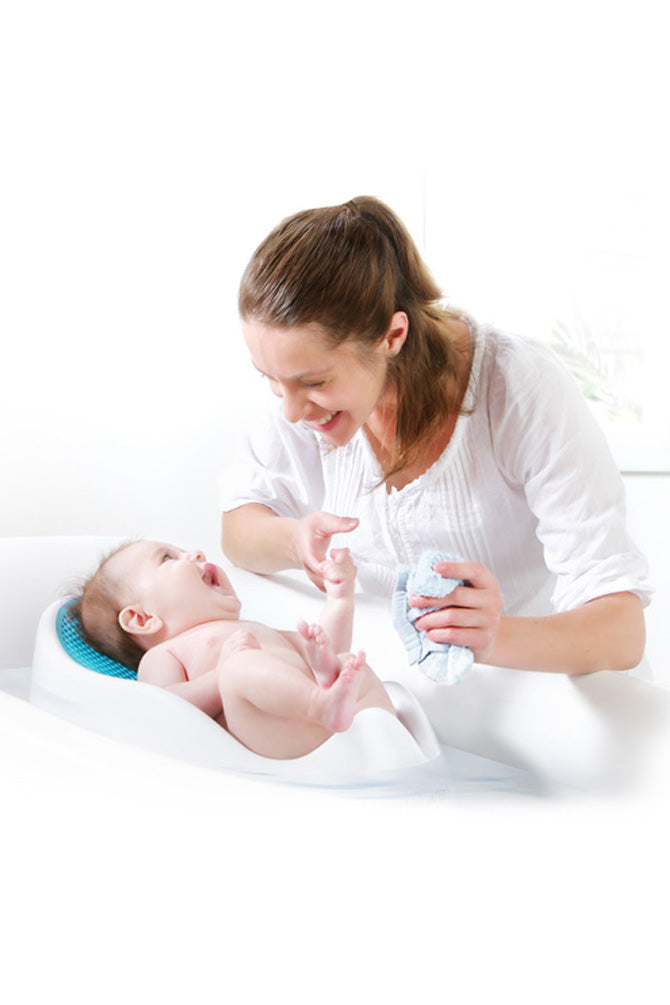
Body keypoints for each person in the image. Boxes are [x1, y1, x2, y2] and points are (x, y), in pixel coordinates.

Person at [220, 195, 653, 676]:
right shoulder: (304, 394)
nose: (290, 410)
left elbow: (622, 631)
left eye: (315, 382)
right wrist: (293, 538)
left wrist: (493, 635)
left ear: (392, 336)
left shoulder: (520, 390)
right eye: (270, 378)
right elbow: (237, 532)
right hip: (403, 686)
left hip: (545, 691)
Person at [74, 540, 396, 759]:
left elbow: (329, 648)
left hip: (325, 731)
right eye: (168, 558)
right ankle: (318, 704)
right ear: (142, 619)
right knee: (239, 669)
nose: (195, 553)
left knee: (347, 662)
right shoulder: (164, 655)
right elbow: (168, 709)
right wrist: (220, 674)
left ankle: (382, 732)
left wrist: (340, 599)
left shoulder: (253, 630)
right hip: (269, 734)